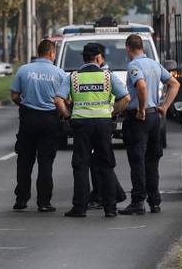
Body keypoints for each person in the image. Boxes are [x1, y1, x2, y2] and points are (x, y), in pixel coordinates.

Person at [64, 43, 131, 218]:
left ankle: (80, 207)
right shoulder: (108, 77)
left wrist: (67, 115)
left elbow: (58, 99)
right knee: (106, 165)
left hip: (80, 125)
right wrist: (112, 112)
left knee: (81, 166)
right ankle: (110, 208)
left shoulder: (73, 77)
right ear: (99, 58)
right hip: (103, 124)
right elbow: (126, 98)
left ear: (84, 57)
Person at [120, 34, 180, 215]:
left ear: (128, 48)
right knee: (152, 160)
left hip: (140, 118)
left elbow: (142, 86)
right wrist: (165, 107)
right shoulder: (154, 64)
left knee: (137, 160)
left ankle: (138, 201)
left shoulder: (134, 65)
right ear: (142, 47)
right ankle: (155, 201)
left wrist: (141, 108)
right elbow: (174, 84)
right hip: (156, 118)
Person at [10, 39, 70, 212]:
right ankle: (44, 202)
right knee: (45, 162)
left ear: (38, 52)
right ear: (52, 53)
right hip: (50, 120)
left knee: (24, 161)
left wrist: (24, 104)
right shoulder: (59, 73)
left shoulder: (23, 70)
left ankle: (21, 199)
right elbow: (65, 99)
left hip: (28, 119)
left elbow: (14, 95)